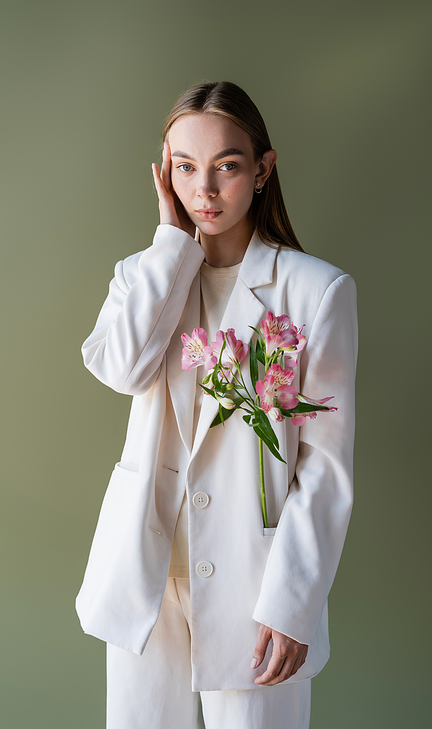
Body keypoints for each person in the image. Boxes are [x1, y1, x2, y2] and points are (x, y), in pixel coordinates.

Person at [76, 80, 358, 729]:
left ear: (262, 169)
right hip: (144, 577)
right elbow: (121, 370)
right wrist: (169, 248)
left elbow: (325, 465)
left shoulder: (316, 291)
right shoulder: (141, 276)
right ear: (164, 174)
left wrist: (292, 604)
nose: (203, 190)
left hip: (253, 579)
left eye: (226, 167)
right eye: (185, 168)